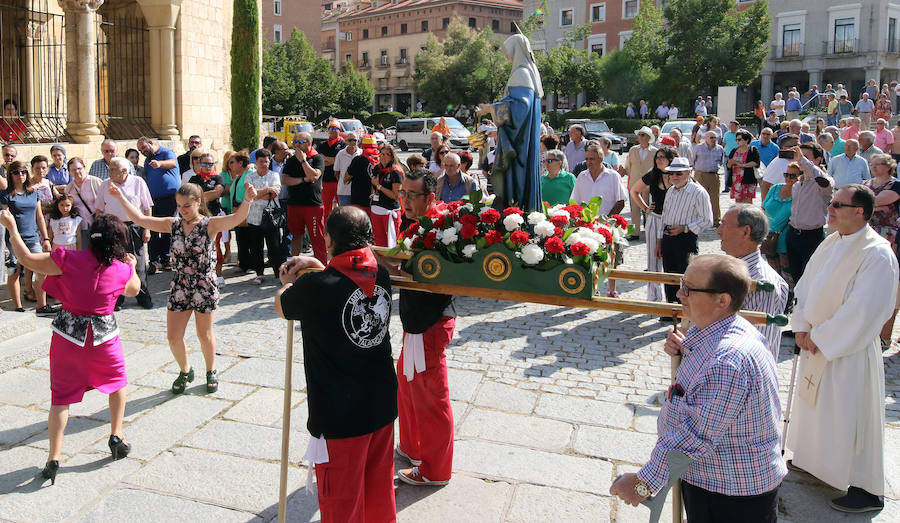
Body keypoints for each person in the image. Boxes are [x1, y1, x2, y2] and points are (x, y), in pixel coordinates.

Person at [611, 254, 785, 522]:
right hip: (711, 479)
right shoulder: (714, 330)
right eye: (682, 283)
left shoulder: (728, 361)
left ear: (722, 300)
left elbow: (696, 435)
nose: (680, 293)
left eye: (689, 289)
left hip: (731, 495)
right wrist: (683, 349)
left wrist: (642, 484)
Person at [1, 210, 141, 485]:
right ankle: (116, 436)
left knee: (61, 398)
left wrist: (12, 227)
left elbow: (28, 260)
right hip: (104, 339)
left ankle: (53, 458)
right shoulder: (122, 268)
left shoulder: (67, 259)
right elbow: (134, 290)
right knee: (117, 384)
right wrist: (133, 267)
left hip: (68, 338)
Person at [276, 206, 397, 521]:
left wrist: (289, 282)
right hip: (381, 401)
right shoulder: (379, 273)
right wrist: (318, 266)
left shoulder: (316, 288)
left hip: (340, 413)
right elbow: (344, 279)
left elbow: (283, 305)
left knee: (341, 501)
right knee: (377, 492)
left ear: (328, 238)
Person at [788, 184, 897, 513]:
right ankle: (815, 462)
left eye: (837, 204)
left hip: (847, 352)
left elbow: (865, 309)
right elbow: (806, 285)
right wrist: (803, 326)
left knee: (852, 418)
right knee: (817, 410)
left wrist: (821, 337)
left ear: (860, 211)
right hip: (817, 343)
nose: (830, 208)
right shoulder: (832, 241)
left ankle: (865, 489)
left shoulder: (877, 253)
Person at [109, 178, 258, 395]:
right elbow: (139, 218)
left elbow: (237, 218)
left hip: (203, 284)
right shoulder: (174, 224)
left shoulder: (210, 224)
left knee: (204, 334)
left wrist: (247, 199)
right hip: (180, 284)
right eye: (179, 206)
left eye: (187, 206)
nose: (182, 210)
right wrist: (119, 196)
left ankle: (211, 371)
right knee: (173, 337)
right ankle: (185, 370)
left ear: (198, 202)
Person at [381, 168, 457, 487]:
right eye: (403, 194)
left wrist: (376, 259)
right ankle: (413, 448)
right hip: (417, 320)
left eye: (412, 195)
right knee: (407, 383)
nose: (406, 201)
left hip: (431, 321)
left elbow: (424, 276)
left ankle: (436, 469)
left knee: (432, 398)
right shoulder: (415, 223)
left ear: (431, 198)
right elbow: (403, 263)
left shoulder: (438, 227)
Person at [476, 33, 543, 211]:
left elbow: (520, 110)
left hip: (519, 145)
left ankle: (515, 217)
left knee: (515, 183)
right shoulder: (528, 73)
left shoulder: (521, 73)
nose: (507, 58)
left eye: (508, 53)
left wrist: (491, 108)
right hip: (523, 141)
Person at [716, 205, 789, 358]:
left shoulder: (761, 281)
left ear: (745, 231)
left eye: (724, 224)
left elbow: (753, 344)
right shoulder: (731, 269)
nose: (718, 231)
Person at [94, 157, 154, 310]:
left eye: (113, 169)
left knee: (139, 262)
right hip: (113, 227)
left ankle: (143, 295)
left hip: (134, 226)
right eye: (110, 169)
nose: (109, 172)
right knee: (115, 262)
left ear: (124, 171)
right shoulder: (105, 184)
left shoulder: (138, 182)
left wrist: (147, 228)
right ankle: (118, 298)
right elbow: (99, 209)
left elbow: (147, 207)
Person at [574, 142, 629, 296]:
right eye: (587, 159)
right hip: (589, 225)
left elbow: (621, 201)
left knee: (612, 259)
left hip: (609, 224)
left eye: (592, 158)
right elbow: (575, 202)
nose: (588, 162)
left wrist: (608, 220)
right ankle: (593, 288)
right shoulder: (582, 177)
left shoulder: (613, 176)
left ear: (601, 158)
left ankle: (612, 290)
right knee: (592, 257)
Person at [656, 158, 713, 305]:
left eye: (679, 174)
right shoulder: (670, 191)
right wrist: (659, 242)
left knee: (687, 276)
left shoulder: (699, 193)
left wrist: (685, 228)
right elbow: (664, 217)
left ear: (688, 173)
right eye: (672, 174)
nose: (674, 177)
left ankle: (687, 310)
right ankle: (671, 308)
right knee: (669, 275)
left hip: (686, 238)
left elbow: (707, 220)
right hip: (668, 237)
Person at [1, 161, 55, 314]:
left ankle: (41, 305)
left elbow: (39, 217)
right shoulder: (5, 195)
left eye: (24, 172)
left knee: (42, 270)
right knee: (15, 272)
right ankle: (18, 306)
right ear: (11, 175)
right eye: (16, 172)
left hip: (32, 237)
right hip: (13, 239)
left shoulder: (33, 193)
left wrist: (45, 238)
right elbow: (5, 218)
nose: (21, 175)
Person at [630, 146, 676, 302]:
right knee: (653, 260)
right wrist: (645, 208)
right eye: (657, 157)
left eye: (662, 157)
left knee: (672, 261)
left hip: (674, 222)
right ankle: (654, 298)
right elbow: (634, 190)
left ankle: (675, 298)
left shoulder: (678, 175)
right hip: (655, 219)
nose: (659, 160)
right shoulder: (653, 175)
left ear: (670, 159)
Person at [864, 154, 900, 349]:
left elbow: (870, 202)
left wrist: (868, 204)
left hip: (887, 235)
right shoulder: (866, 182)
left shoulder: (895, 185)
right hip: (865, 232)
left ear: (888, 166)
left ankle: (883, 334)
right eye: (872, 164)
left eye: (878, 164)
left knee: (883, 280)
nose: (874, 167)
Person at [786, 143, 833, 284]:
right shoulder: (797, 183)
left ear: (818, 160)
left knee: (810, 278)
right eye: (800, 156)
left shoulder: (823, 182)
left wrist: (803, 161)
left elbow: (824, 181)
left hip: (812, 236)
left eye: (805, 157)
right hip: (793, 234)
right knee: (796, 276)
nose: (800, 160)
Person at [137, 136, 181, 274]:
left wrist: (160, 164)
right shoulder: (147, 161)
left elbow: (173, 163)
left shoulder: (166, 152)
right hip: (153, 200)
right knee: (153, 230)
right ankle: (154, 262)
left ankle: (166, 259)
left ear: (150, 143)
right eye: (140, 150)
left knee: (168, 229)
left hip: (170, 198)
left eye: (143, 147)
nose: (142, 151)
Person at [241, 148, 283, 284]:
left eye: (266, 161)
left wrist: (258, 193)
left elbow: (275, 193)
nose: (264, 164)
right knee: (256, 247)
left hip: (270, 216)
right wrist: (267, 190)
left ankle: (278, 273)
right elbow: (250, 193)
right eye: (261, 161)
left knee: (274, 246)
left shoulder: (274, 175)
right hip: (253, 217)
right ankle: (259, 273)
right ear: (256, 162)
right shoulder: (249, 176)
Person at [282, 131, 326, 261]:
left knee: (316, 236)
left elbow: (313, 176)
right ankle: (294, 264)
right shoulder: (291, 160)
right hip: (294, 204)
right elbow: (284, 180)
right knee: (296, 236)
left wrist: (303, 161)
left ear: (309, 143)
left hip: (312, 205)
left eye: (299, 142)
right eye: (294, 142)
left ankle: (322, 266)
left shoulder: (317, 158)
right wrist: (302, 180)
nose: (296, 145)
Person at [188, 152, 228, 285]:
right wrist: (205, 196)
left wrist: (199, 197)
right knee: (198, 246)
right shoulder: (194, 179)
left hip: (214, 216)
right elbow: (191, 195)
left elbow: (217, 192)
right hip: (198, 218)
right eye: (204, 163)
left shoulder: (218, 178)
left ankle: (219, 274)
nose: (208, 166)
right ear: (199, 164)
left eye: (210, 163)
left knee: (215, 245)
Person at [761, 162, 797, 280]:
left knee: (786, 269)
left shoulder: (800, 193)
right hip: (770, 236)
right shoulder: (775, 188)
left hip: (785, 236)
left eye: (793, 176)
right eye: (786, 175)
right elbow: (764, 207)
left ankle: (788, 294)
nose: (788, 178)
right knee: (771, 269)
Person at [623, 127, 657, 238]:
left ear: (649, 137)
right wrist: (624, 171)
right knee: (634, 210)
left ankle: (649, 231)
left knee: (649, 209)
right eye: (640, 135)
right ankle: (634, 232)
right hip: (634, 184)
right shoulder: (633, 150)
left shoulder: (655, 152)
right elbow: (628, 166)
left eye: (643, 135)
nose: (640, 137)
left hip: (649, 185)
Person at [369, 144, 404, 247]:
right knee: (379, 242)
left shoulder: (395, 172)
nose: (383, 157)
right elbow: (373, 187)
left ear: (392, 156)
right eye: (382, 154)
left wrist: (379, 186)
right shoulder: (377, 168)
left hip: (390, 210)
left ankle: (394, 263)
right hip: (376, 209)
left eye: (387, 154)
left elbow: (396, 195)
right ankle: (382, 263)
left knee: (393, 243)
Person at [66, 157, 102, 248]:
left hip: (97, 224)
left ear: (84, 168)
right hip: (80, 226)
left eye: (79, 168)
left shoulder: (96, 182)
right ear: (69, 172)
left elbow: (105, 202)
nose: (77, 172)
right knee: (84, 254)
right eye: (73, 170)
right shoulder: (69, 188)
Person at [692, 131, 724, 226]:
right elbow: (692, 160)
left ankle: (715, 220)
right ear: (706, 138)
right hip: (700, 174)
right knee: (699, 197)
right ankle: (699, 219)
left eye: (715, 138)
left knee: (714, 198)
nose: (714, 140)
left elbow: (721, 162)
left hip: (714, 175)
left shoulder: (719, 149)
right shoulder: (698, 147)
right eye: (711, 138)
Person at [319, 120, 347, 220]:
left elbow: (341, 161)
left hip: (339, 180)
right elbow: (320, 162)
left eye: (336, 128)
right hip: (325, 180)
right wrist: (334, 160)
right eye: (331, 128)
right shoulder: (322, 145)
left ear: (340, 130)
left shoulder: (343, 145)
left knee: (342, 209)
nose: (333, 130)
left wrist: (325, 158)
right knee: (325, 209)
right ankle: (326, 230)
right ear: (328, 130)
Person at [347, 134, 379, 214]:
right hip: (377, 201)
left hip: (358, 199)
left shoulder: (357, 160)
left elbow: (347, 176)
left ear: (362, 147)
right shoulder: (382, 159)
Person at [726, 130, 760, 204]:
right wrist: (730, 163)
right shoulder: (734, 150)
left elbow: (756, 162)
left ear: (746, 140)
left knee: (748, 202)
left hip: (748, 179)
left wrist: (741, 165)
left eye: (739, 139)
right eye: (736, 140)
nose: (737, 141)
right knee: (738, 202)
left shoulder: (752, 150)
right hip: (736, 180)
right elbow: (728, 166)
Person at [334, 132, 361, 206]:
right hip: (343, 192)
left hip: (358, 192)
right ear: (346, 141)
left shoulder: (361, 153)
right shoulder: (340, 154)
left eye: (354, 140)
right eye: (350, 140)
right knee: (344, 215)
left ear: (358, 141)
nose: (352, 142)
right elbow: (337, 172)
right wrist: (343, 181)